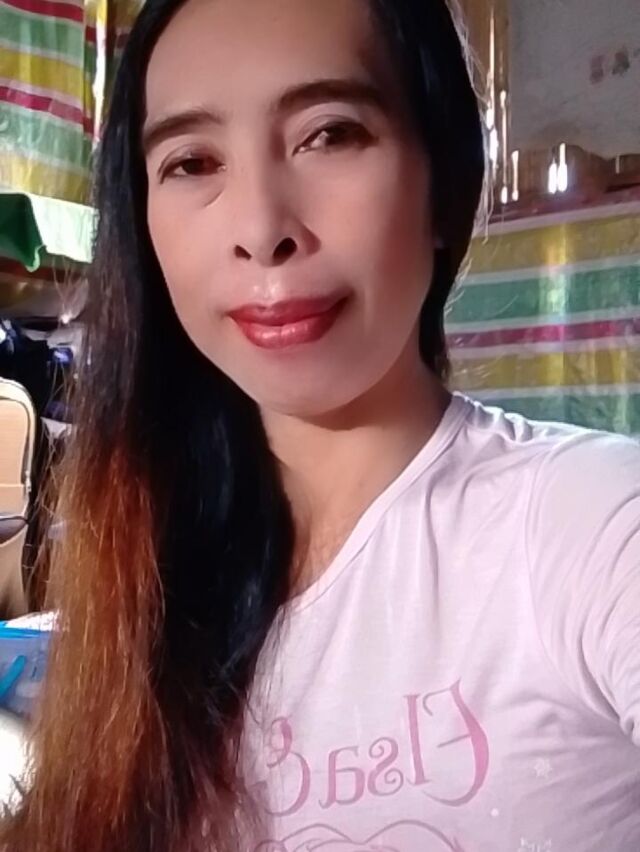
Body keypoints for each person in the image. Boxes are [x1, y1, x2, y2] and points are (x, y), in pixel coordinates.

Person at [1, 0, 639, 850]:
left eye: (330, 134)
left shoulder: (590, 524)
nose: (261, 230)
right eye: (192, 161)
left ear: (444, 183)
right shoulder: (143, 565)